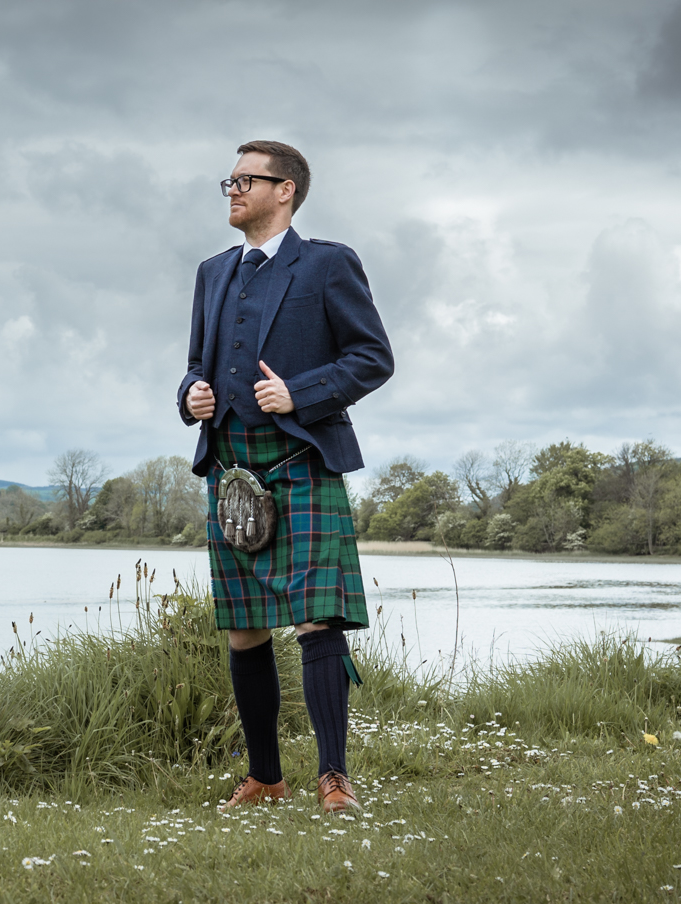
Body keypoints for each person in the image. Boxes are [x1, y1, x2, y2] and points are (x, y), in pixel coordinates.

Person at [178, 140, 394, 813]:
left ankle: (334, 778)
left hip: (300, 463)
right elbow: (193, 363)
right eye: (230, 180)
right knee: (244, 626)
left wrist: (300, 393)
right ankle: (266, 777)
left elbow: (372, 357)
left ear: (286, 191)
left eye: (247, 180)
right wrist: (191, 395)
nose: (233, 190)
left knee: (314, 619)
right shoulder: (212, 272)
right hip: (232, 466)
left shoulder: (328, 264)